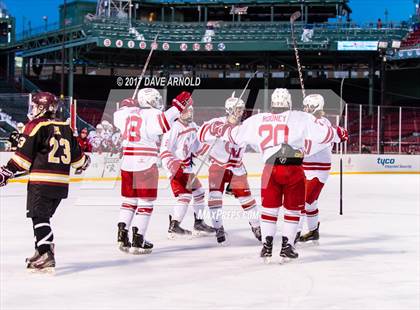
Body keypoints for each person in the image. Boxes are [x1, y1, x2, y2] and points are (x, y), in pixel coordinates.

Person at [209, 88, 348, 262]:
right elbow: (324, 135)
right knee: (293, 209)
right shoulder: (300, 116)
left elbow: (234, 135)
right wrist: (339, 134)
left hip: (269, 168)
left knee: (269, 209)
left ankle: (266, 247)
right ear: (289, 102)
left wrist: (219, 128)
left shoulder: (258, 119)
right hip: (293, 168)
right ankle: (287, 246)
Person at [0, 92, 90, 273]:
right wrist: (86, 160)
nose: (32, 110)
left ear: (42, 107)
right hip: (61, 185)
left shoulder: (35, 125)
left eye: (34, 106)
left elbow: (22, 160)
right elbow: (80, 162)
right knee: (42, 217)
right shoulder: (66, 127)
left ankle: (46, 253)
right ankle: (40, 249)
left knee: (39, 217)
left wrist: (6, 172)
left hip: (41, 182)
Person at [113, 90, 190, 254]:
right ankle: (138, 239)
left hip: (127, 163)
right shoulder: (153, 114)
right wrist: (177, 106)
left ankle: (122, 234)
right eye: (155, 100)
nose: (158, 102)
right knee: (145, 203)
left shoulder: (125, 113)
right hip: (145, 163)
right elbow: (164, 122)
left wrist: (127, 104)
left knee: (129, 201)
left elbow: (117, 114)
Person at [198, 93, 261, 245]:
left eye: (242, 109)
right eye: (238, 109)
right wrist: (219, 129)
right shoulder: (217, 121)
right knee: (215, 198)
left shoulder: (245, 126)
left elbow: (258, 143)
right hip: (218, 167)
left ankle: (256, 226)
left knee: (247, 199)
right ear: (230, 110)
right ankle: (218, 228)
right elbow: (201, 134)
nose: (242, 112)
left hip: (236, 169)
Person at [160, 98, 215, 239]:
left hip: (187, 167)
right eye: (186, 111)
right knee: (184, 196)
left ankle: (199, 223)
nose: (189, 113)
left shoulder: (193, 126)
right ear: (179, 113)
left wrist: (212, 141)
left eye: (191, 110)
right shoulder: (173, 128)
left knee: (199, 193)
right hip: (177, 166)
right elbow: (164, 149)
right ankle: (174, 226)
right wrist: (172, 166)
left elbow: (198, 147)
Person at [296, 94, 334, 244]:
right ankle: (313, 231)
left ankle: (294, 233)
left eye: (308, 107)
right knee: (310, 203)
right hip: (305, 167)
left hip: (318, 169)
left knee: (303, 202)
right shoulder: (306, 122)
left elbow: (309, 146)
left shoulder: (324, 124)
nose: (305, 109)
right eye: (305, 106)